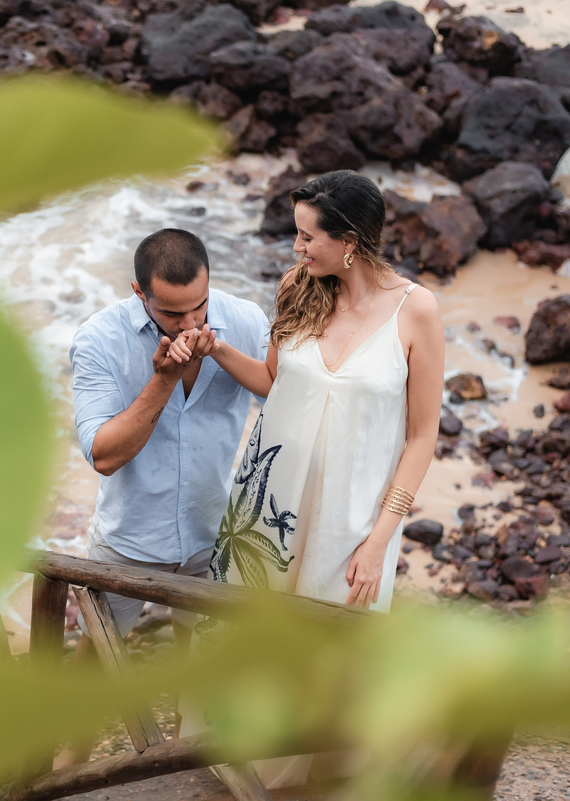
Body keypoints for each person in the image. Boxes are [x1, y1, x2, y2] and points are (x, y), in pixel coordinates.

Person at [198, 170, 445, 787]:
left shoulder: (417, 312)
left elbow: (422, 436)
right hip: (268, 504)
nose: (297, 247)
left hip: (353, 518)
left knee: (334, 655)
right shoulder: (298, 289)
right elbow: (274, 384)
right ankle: (236, 767)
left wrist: (380, 539)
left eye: (308, 236)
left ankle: (317, 782)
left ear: (351, 241)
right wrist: (217, 349)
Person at [59, 228, 270, 767]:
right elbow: (102, 453)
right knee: (95, 662)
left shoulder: (242, 320)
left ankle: (178, 765)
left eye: (198, 307)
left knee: (195, 667)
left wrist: (218, 347)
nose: (190, 324)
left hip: (211, 533)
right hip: (128, 538)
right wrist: (161, 380)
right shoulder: (99, 340)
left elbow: (281, 387)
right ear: (139, 292)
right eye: (172, 314)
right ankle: (66, 765)